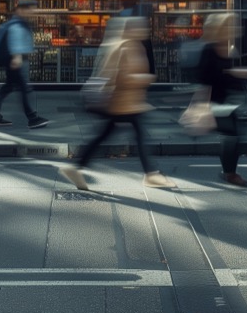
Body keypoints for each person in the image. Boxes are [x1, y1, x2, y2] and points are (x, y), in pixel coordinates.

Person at [59, 17, 175, 190]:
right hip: (122, 102)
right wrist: (145, 78)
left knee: (106, 135)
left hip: (126, 102)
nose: (144, 30)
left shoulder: (127, 45)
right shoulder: (125, 47)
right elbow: (121, 77)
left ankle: (77, 167)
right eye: (139, 27)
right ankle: (150, 174)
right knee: (138, 135)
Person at [196, 12, 247, 187]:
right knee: (233, 134)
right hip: (213, 104)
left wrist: (240, 75)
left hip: (225, 103)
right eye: (231, 26)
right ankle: (230, 173)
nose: (235, 30)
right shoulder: (209, 50)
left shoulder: (228, 49)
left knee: (233, 135)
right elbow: (205, 79)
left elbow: (227, 79)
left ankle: (229, 172)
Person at [0, 0, 50, 129]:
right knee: (22, 88)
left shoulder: (21, 23)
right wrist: (17, 56)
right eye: (30, 9)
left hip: (16, 60)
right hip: (15, 61)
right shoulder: (17, 24)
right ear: (21, 10)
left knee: (8, 88)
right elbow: (15, 39)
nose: (32, 12)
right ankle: (32, 118)